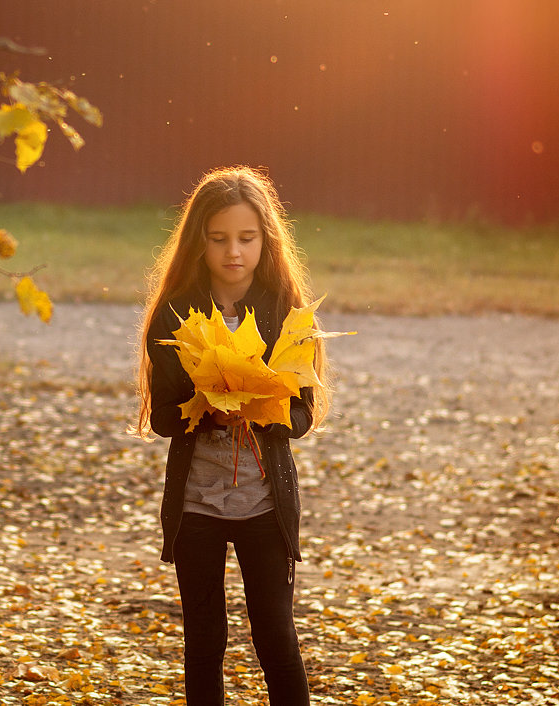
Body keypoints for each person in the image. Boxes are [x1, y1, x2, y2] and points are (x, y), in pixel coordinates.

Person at [134, 166, 330, 705]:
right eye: (219, 239)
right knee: (203, 639)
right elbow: (164, 419)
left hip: (265, 505)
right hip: (196, 501)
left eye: (246, 238)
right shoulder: (176, 313)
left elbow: (303, 416)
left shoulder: (284, 312)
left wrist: (262, 407)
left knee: (275, 636)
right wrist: (206, 410)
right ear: (199, 240)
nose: (233, 252)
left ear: (266, 240)